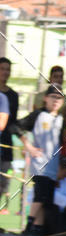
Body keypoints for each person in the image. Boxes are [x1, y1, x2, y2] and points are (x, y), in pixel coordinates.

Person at [13, 86, 66, 236]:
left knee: (46, 199)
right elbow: (15, 127)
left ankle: (38, 230)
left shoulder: (61, 119)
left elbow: (62, 144)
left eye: (59, 97)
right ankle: (28, 227)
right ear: (45, 98)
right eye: (53, 96)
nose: (56, 100)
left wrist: (62, 164)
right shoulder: (38, 115)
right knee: (40, 195)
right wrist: (28, 146)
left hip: (53, 165)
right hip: (39, 163)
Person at [0, 57, 19, 215]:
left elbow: (13, 123)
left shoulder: (13, 95)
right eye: (2, 68)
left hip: (5, 144)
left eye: (8, 69)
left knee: (3, 183)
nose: (5, 72)